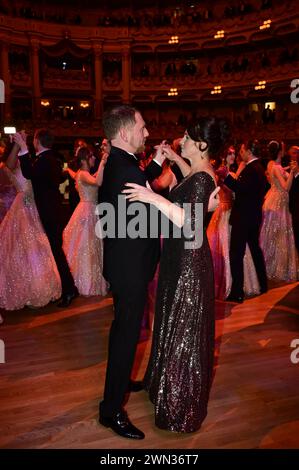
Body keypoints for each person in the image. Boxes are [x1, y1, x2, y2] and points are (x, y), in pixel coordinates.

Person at [124, 116, 227, 433]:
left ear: (202, 145)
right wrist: (173, 157)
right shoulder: (197, 172)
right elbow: (189, 177)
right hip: (178, 258)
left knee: (182, 330)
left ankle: (179, 405)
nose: (181, 138)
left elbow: (192, 222)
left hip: (188, 264)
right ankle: (164, 387)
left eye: (186, 136)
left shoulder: (203, 179)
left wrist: (154, 198)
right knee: (171, 321)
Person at [15, 129, 78, 308]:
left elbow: (28, 173)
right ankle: (68, 288)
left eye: (33, 140)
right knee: (56, 252)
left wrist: (22, 147)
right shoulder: (50, 158)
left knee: (57, 252)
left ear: (37, 141)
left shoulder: (46, 160)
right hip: (52, 211)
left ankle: (69, 290)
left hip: (50, 213)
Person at [0, 138, 61, 311]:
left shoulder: (27, 161)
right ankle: (25, 289)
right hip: (23, 206)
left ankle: (36, 287)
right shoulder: (10, 163)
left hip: (34, 205)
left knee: (35, 248)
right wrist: (19, 145)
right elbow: (10, 167)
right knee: (22, 250)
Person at [207, 147, 260, 299]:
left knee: (236, 250)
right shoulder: (219, 174)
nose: (233, 155)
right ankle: (226, 284)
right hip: (222, 211)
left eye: (233, 153)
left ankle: (237, 286)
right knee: (222, 247)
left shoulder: (237, 173)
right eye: (229, 153)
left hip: (235, 212)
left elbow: (239, 192)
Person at [224, 139, 268, 303]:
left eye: (242, 149)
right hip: (253, 216)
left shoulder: (251, 169)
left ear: (249, 151)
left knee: (236, 254)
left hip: (243, 218)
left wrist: (226, 177)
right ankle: (263, 284)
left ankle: (237, 292)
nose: (240, 152)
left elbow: (240, 189)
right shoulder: (259, 168)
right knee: (255, 249)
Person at [63, 147, 108, 296]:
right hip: (87, 211)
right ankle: (85, 282)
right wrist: (102, 161)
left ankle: (90, 280)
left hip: (89, 210)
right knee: (86, 247)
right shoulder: (82, 174)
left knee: (90, 247)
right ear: (84, 160)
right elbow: (98, 182)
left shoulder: (84, 174)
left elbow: (94, 178)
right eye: (91, 157)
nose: (93, 159)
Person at [260, 141, 297, 281]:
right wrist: (292, 172)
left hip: (272, 199)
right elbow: (286, 187)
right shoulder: (276, 167)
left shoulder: (270, 164)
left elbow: (278, 171)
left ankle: (266, 264)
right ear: (280, 152)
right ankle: (276, 267)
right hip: (279, 203)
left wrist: (287, 169)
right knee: (280, 235)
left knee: (271, 235)